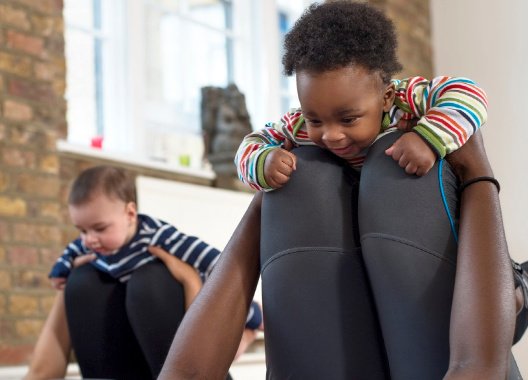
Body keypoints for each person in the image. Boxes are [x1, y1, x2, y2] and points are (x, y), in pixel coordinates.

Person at [158, 2, 524, 379]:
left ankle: (512, 285)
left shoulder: (404, 101)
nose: (330, 134)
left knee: (378, 167)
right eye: (315, 118)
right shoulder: (301, 125)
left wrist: (430, 138)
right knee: (314, 174)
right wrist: (265, 166)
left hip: (386, 201)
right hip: (358, 217)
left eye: (348, 119)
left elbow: (466, 93)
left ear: (384, 97)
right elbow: (253, 144)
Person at [27, 165, 262, 380]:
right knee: (83, 280)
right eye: (82, 231)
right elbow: (69, 256)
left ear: (130, 214)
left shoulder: (157, 236)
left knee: (149, 283)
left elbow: (213, 261)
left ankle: (252, 320)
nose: (89, 240)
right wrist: (64, 276)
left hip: (191, 352)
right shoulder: (88, 248)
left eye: (99, 228)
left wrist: (191, 281)